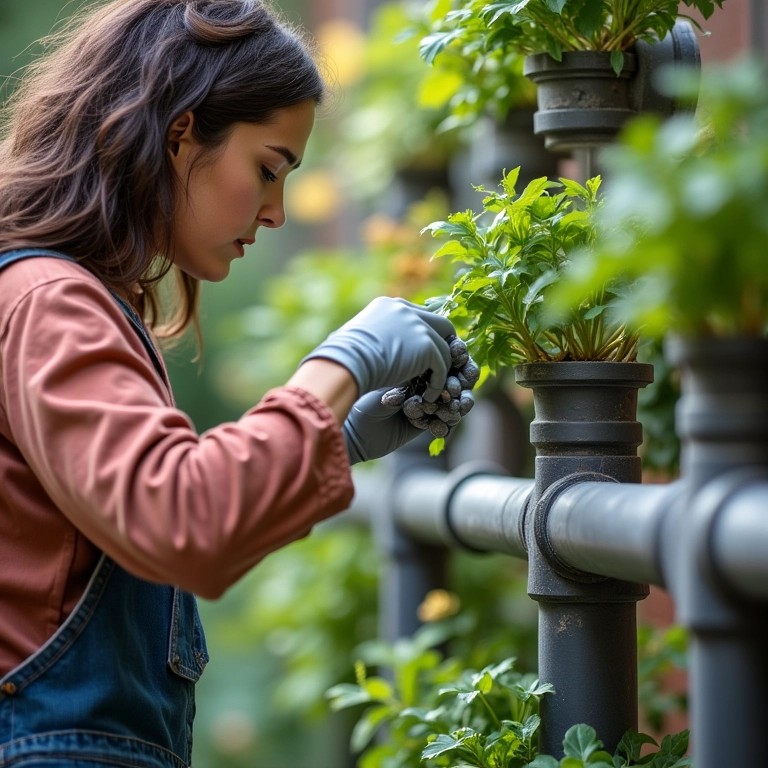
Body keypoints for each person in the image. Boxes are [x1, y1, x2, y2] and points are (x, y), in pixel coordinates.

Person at [0, 1, 458, 766]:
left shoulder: (51, 296)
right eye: (268, 168)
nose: (276, 211)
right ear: (182, 132)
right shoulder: (51, 300)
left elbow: (154, 510)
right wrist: (342, 363)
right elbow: (181, 521)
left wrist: (334, 440)